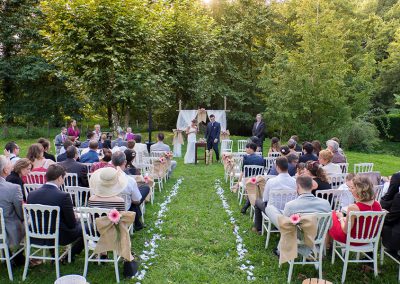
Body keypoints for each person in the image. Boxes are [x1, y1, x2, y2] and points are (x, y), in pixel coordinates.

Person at [27, 164, 84, 262]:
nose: (63, 180)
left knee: (50, 222)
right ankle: (68, 257)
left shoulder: (31, 194)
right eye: (63, 178)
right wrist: (77, 218)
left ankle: (54, 255)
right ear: (59, 178)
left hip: (36, 234)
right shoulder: (63, 196)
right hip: (60, 236)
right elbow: (71, 224)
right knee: (87, 228)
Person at [329, 175, 382, 245]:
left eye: (352, 188)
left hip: (352, 239)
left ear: (359, 190)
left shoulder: (353, 208)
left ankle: (327, 245)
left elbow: (345, 231)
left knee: (332, 215)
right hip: (369, 238)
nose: (350, 190)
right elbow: (366, 222)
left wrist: (341, 218)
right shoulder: (378, 204)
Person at [265, 175, 331, 231]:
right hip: (318, 235)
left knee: (269, 209)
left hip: (296, 237)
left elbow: (285, 225)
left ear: (298, 187)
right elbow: (330, 225)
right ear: (311, 187)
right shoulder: (325, 203)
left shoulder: (291, 205)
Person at [252, 157, 296, 233]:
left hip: (272, 212)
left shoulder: (271, 181)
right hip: (289, 212)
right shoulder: (295, 181)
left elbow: (265, 199)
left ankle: (258, 228)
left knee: (257, 201)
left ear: (277, 167)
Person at [111, 151, 149, 231]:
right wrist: (131, 199)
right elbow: (137, 201)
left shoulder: (106, 178)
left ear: (112, 162)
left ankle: (138, 223)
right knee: (145, 188)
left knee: (132, 197)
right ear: (124, 162)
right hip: (125, 207)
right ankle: (138, 223)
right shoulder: (130, 180)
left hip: (110, 206)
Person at [0, 155, 25, 252]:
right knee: (27, 220)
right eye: (10, 164)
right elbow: (21, 213)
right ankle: (19, 256)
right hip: (8, 230)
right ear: (5, 170)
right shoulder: (13, 188)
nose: (12, 166)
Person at [239, 142, 266, 214]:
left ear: (250, 148)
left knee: (250, 183)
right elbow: (263, 172)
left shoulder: (246, 158)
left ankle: (246, 206)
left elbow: (243, 171)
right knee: (254, 184)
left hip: (248, 181)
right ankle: (247, 205)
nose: (245, 149)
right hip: (258, 181)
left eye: (246, 147)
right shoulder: (262, 158)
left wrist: (238, 182)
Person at [380, 172, 400, 255]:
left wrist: (380, 216)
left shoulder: (399, 197)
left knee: (375, 223)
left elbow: (390, 219)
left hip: (396, 236)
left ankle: (369, 254)